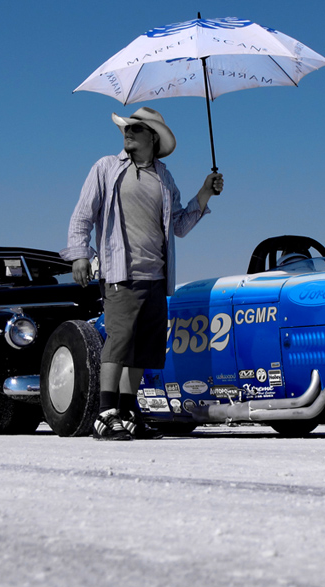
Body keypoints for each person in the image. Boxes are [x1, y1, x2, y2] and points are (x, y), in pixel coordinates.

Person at [61, 107, 224, 441]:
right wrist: (79, 254)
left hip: (156, 276)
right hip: (120, 272)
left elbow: (178, 225)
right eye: (126, 128)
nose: (128, 132)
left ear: (153, 137)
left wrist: (205, 192)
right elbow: (82, 215)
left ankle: (127, 410)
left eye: (136, 128)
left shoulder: (164, 177)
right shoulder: (106, 168)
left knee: (143, 348)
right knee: (119, 341)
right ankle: (106, 414)